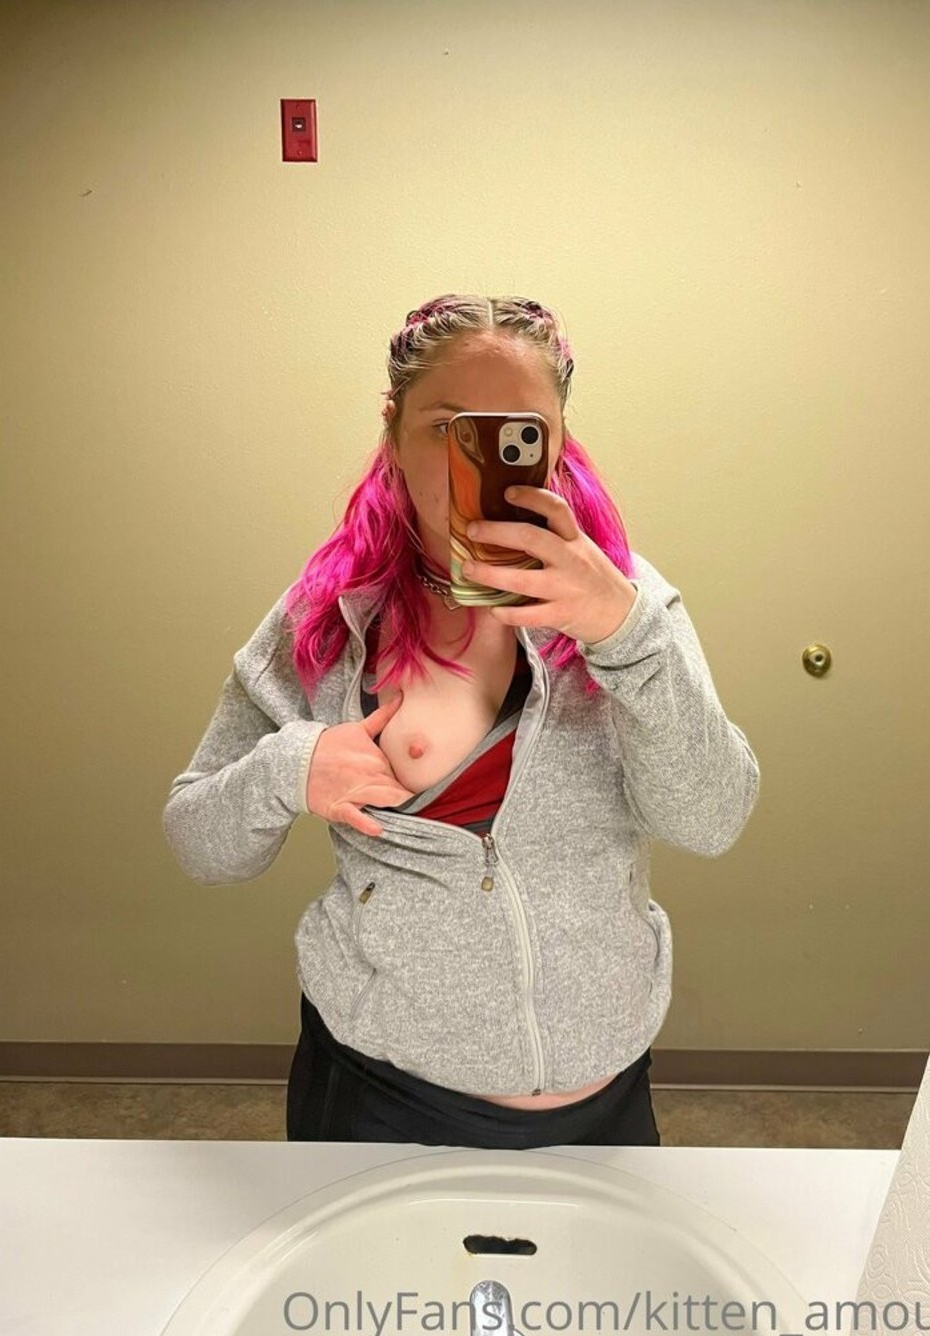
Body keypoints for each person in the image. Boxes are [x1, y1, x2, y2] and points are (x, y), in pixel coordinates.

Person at [162, 293, 760, 1148]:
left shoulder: (631, 604)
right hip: (376, 1091)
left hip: (607, 1097)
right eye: (447, 426)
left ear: (556, 440)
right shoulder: (328, 619)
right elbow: (198, 839)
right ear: (392, 430)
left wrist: (623, 634)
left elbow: (711, 818)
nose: (475, 461)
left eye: (517, 431)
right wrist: (291, 769)